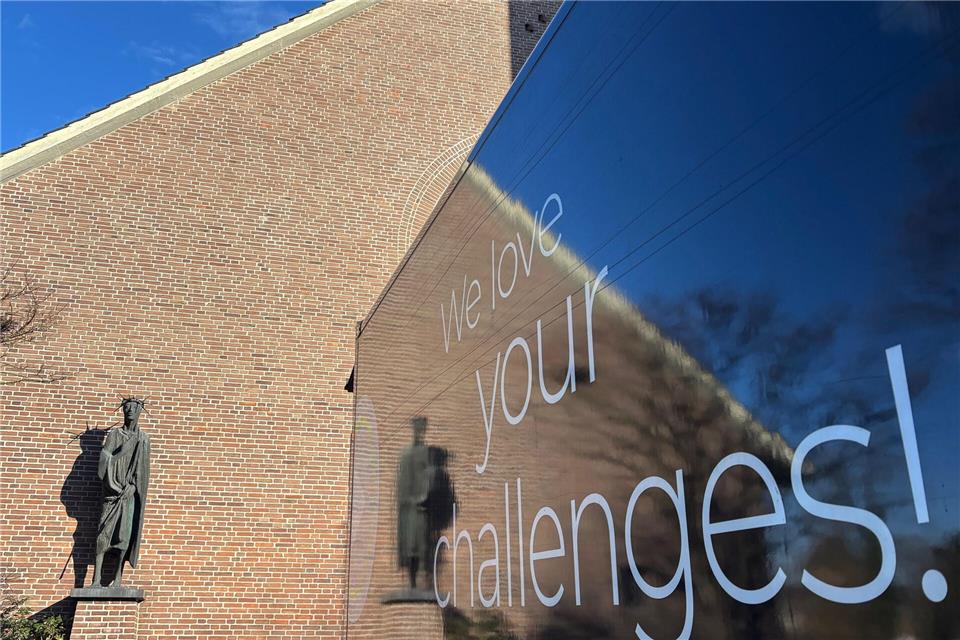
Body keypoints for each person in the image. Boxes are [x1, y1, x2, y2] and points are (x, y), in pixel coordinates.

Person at [91, 397, 150, 588]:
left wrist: (133, 487)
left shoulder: (143, 439)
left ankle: (118, 579)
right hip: (112, 492)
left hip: (129, 495)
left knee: (124, 536)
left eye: (134, 407)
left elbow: (143, 472)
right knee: (103, 535)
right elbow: (104, 460)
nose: (130, 410)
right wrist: (120, 455)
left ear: (140, 411)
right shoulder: (115, 435)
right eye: (127, 407)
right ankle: (96, 580)